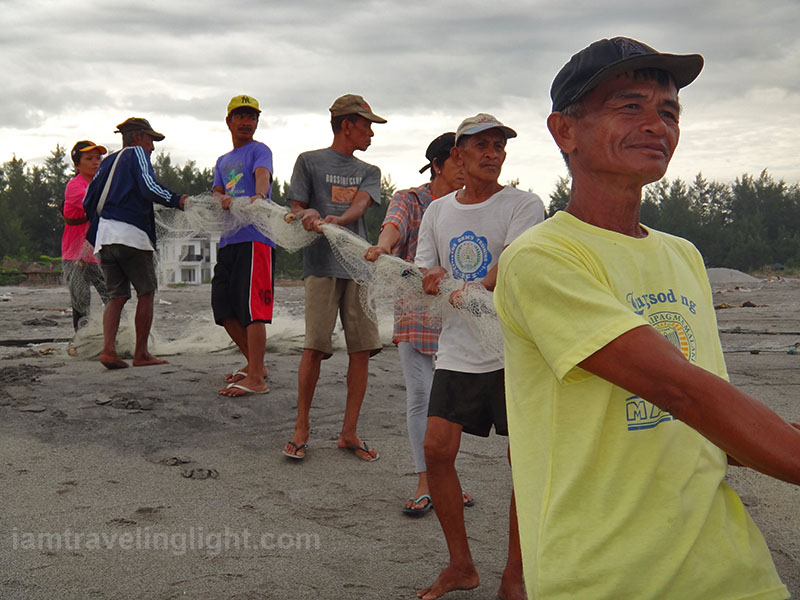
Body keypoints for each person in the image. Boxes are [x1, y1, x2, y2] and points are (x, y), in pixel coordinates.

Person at [494, 37, 800, 599]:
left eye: (669, 112)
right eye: (629, 106)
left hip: (731, 568)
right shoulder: (541, 259)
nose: (656, 125)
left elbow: (713, 415)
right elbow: (678, 389)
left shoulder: (682, 255)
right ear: (565, 131)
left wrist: (782, 438)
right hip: (605, 574)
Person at [415, 114, 545, 600]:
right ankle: (461, 566)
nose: (492, 153)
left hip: (516, 348)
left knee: (523, 460)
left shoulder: (524, 204)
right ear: (458, 157)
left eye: (498, 145)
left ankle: (515, 573)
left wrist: (468, 285)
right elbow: (425, 268)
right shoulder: (438, 211)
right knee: (436, 449)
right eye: (480, 146)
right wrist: (429, 278)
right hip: (459, 347)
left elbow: (509, 267)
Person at [364, 132, 471, 515]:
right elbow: (392, 227)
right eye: (458, 161)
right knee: (422, 398)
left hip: (455, 318)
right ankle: (427, 481)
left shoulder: (469, 204)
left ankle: (448, 481)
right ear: (439, 165)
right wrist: (384, 246)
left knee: (450, 403)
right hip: (414, 312)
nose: (466, 169)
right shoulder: (410, 200)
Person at [282, 94, 386, 461]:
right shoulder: (308, 162)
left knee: (361, 350)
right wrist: (307, 212)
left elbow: (360, 204)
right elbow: (296, 209)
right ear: (347, 125)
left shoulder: (369, 171)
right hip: (321, 267)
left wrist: (339, 220)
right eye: (367, 125)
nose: (371, 133)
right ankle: (301, 428)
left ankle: (349, 432)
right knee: (314, 346)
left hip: (359, 267)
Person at [83, 117, 186, 370]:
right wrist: (176, 200)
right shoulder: (137, 153)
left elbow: (88, 200)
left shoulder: (107, 163)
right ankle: (141, 353)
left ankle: (108, 351)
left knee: (116, 297)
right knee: (146, 292)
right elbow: (149, 186)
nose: (152, 147)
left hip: (105, 240)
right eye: (151, 139)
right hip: (132, 237)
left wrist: (103, 224)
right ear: (138, 137)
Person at [212, 94, 274, 397]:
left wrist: (259, 197)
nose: (246, 122)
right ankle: (255, 366)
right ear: (229, 121)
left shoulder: (259, 151)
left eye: (252, 118)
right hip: (228, 240)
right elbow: (216, 192)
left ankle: (256, 380)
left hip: (255, 238)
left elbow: (263, 176)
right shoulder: (222, 161)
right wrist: (220, 199)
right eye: (240, 116)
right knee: (223, 307)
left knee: (253, 310)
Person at [62, 140, 109, 331]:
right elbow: (95, 204)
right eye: (89, 158)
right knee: (81, 302)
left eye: (98, 158)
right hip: (75, 256)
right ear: (77, 164)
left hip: (97, 254)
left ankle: (118, 336)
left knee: (112, 296)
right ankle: (81, 341)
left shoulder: (101, 184)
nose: (95, 162)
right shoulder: (74, 187)